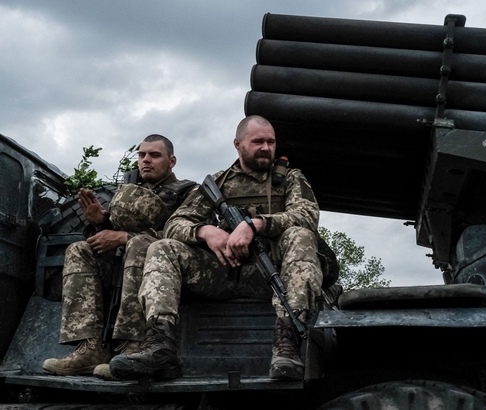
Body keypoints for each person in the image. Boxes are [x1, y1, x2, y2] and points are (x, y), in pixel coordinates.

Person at [109, 115, 323, 381]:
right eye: (258, 141)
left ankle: (287, 346)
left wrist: (256, 225)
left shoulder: (291, 178)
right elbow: (175, 223)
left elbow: (307, 216)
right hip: (221, 273)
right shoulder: (218, 182)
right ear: (238, 144)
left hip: (272, 276)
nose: (266, 148)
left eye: (271, 142)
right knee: (163, 247)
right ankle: (159, 345)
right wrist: (205, 232)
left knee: (301, 235)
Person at [42, 134, 196, 378]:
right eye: (142, 154)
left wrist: (127, 236)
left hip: (162, 271)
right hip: (121, 264)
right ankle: (91, 348)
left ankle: (134, 346)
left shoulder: (188, 192)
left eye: (155, 155)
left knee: (140, 244)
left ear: (172, 161)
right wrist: (101, 222)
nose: (146, 160)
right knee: (79, 250)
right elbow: (112, 234)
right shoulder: (128, 192)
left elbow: (185, 235)